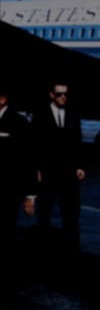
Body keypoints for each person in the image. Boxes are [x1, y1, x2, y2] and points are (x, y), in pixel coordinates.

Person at [31, 81, 85, 256]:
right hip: (48, 173)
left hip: (68, 174)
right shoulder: (40, 115)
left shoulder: (72, 114)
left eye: (65, 94)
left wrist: (79, 165)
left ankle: (71, 249)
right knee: (45, 212)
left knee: (71, 214)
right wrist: (37, 170)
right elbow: (35, 145)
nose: (63, 97)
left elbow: (78, 141)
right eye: (59, 94)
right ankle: (42, 249)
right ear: (51, 94)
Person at [0, 88, 37, 261]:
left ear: (2, 99)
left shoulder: (19, 123)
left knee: (6, 233)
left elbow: (28, 160)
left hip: (8, 190)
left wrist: (30, 195)